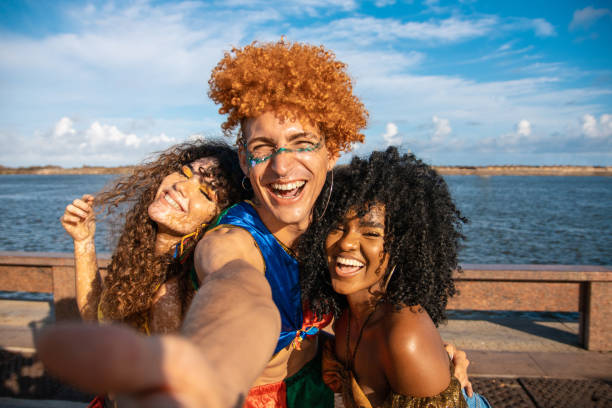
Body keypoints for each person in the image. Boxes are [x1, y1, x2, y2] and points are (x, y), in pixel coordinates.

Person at [38, 40, 469, 408]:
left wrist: (423, 354)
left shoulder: (339, 222)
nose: (282, 167)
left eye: (301, 144)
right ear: (244, 159)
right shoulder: (233, 237)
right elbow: (235, 289)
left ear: (332, 149)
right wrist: (211, 370)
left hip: (313, 390)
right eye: (262, 149)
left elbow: (379, 297)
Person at [298, 147, 489, 408]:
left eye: (371, 233)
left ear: (403, 248)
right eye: (338, 227)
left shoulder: (404, 338)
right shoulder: (346, 314)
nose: (347, 243)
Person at [60, 140, 248, 333]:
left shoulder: (177, 291)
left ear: (219, 218)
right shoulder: (144, 261)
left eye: (206, 194)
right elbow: (97, 322)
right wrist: (83, 241)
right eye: (185, 173)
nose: (181, 186)